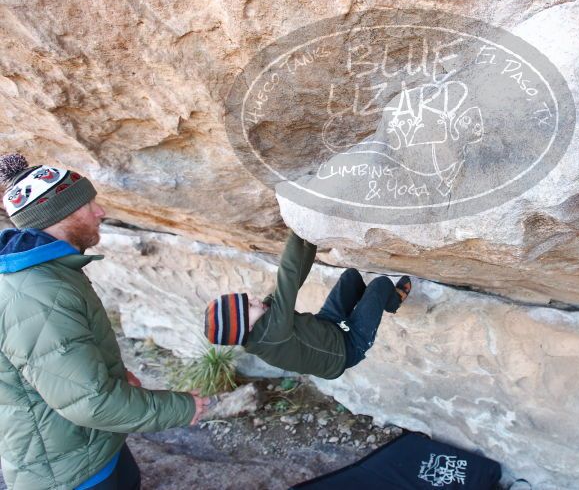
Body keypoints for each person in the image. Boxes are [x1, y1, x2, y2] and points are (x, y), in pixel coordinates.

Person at [0, 154, 209, 490]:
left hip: (88, 448)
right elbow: (89, 402)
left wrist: (114, 375)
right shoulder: (35, 293)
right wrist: (180, 407)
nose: (101, 212)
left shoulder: (47, 272)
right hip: (69, 474)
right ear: (59, 215)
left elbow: (60, 365)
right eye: (88, 205)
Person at [204, 229, 412, 379]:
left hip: (327, 326)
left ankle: (370, 306)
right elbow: (288, 273)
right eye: (249, 306)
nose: (255, 300)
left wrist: (310, 238)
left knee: (351, 278)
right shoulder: (272, 333)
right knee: (381, 285)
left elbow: (295, 280)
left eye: (247, 300)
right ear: (247, 327)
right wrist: (297, 228)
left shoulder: (264, 317)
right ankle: (392, 301)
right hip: (347, 349)